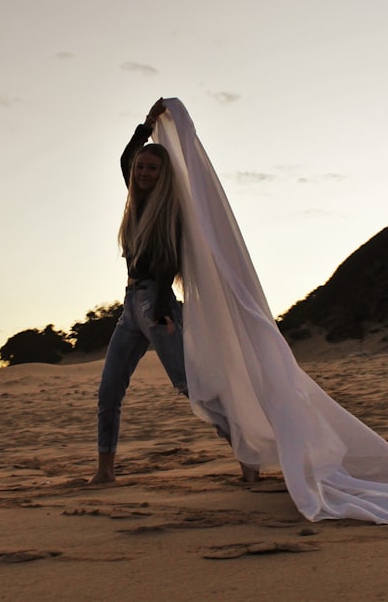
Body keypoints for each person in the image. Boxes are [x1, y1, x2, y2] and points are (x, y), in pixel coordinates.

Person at [89, 98, 258, 485]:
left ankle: (246, 454)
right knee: (109, 391)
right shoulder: (136, 199)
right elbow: (126, 157)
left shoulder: (168, 210)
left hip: (154, 304)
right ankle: (105, 471)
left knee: (189, 386)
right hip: (130, 307)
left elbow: (166, 266)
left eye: (152, 168)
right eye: (141, 167)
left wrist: (164, 310)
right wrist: (147, 124)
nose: (144, 172)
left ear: (163, 174)